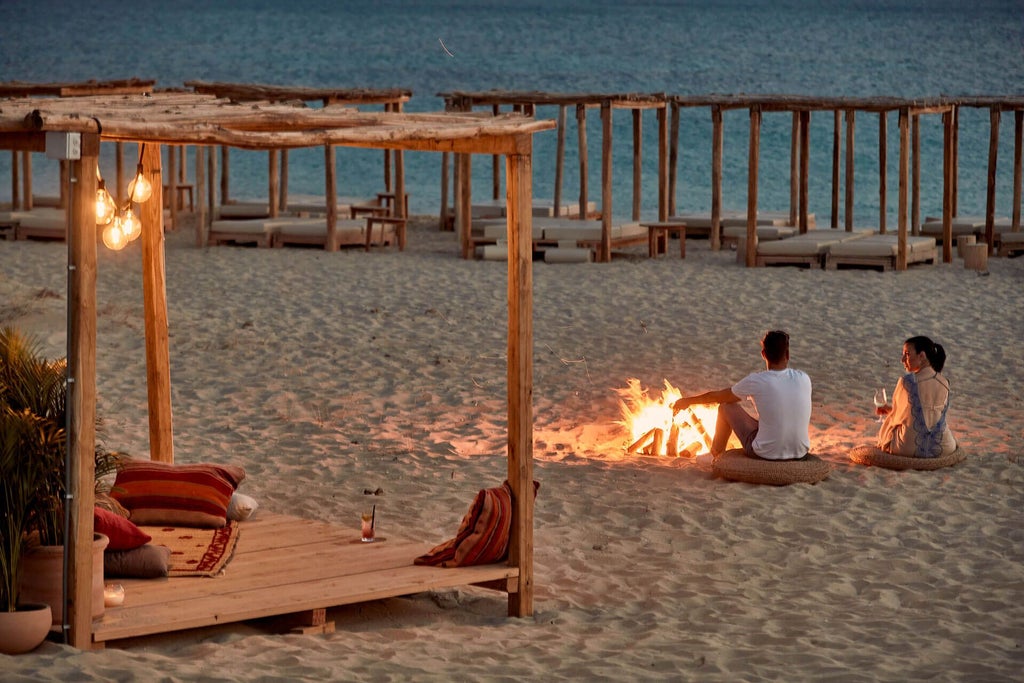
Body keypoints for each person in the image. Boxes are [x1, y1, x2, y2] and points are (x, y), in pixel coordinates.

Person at [671, 330, 811, 460]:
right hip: (800, 451)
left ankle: (716, 456)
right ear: (787, 355)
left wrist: (687, 401)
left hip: (765, 453)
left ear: (763, 354)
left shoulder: (757, 380)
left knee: (725, 407)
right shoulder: (804, 378)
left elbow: (719, 397)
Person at [876, 335, 957, 458]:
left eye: (907, 354)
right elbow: (925, 412)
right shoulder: (945, 382)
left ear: (922, 356)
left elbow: (898, 418)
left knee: (888, 428)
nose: (902, 359)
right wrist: (889, 409)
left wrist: (890, 413)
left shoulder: (907, 382)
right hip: (943, 447)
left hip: (908, 448)